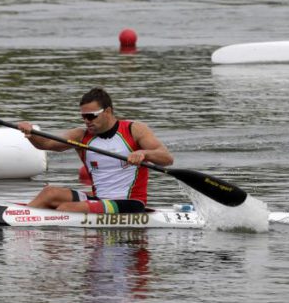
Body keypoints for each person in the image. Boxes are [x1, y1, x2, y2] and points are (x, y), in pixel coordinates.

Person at [18, 87, 174, 213]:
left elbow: (167, 158)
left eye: (91, 116)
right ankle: (22, 218)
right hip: (99, 200)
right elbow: (46, 144)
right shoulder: (80, 136)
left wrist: (144, 153)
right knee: (49, 193)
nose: (87, 121)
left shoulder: (135, 129)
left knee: (66, 208)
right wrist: (30, 133)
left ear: (107, 112)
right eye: (83, 117)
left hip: (129, 203)